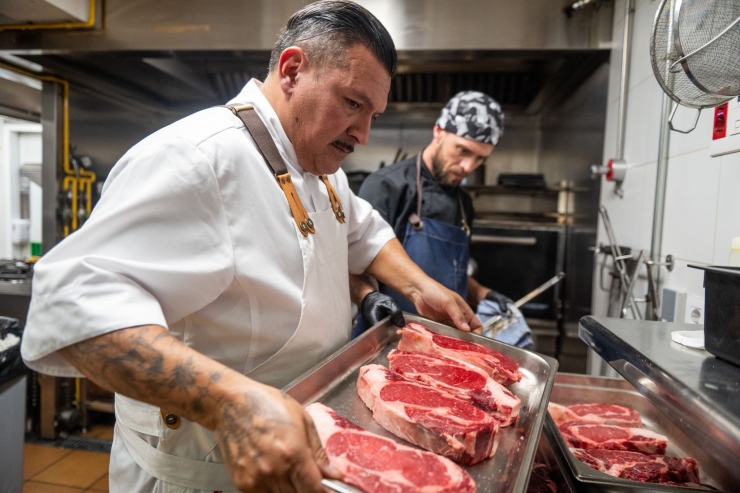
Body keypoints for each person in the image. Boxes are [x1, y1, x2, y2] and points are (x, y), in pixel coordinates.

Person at [20, 3, 481, 492]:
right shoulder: (198, 158)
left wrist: (421, 286)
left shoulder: (318, 165)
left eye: (372, 113)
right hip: (201, 472)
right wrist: (229, 404)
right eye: (352, 103)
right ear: (292, 70)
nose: (364, 133)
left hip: (291, 453)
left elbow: (361, 234)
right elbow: (73, 306)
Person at [357, 91, 532, 347]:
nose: (468, 167)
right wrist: (366, 297)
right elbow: (355, 262)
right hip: (390, 338)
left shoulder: (464, 203)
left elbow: (452, 273)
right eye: (462, 150)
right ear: (438, 131)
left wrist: (483, 293)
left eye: (480, 158)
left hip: (445, 344)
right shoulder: (387, 186)